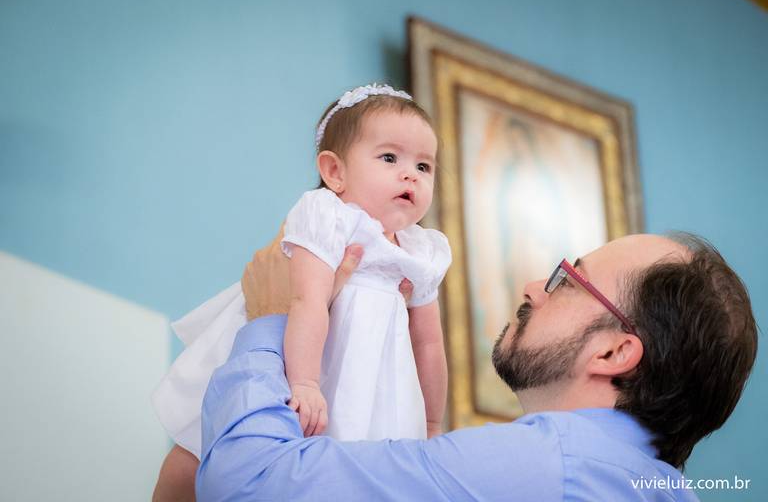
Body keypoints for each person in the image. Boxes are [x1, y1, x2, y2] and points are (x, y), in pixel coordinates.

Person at [189, 231, 756, 501]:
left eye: (568, 280)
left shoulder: (545, 470)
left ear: (613, 352)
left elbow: (247, 484)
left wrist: (270, 321)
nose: (536, 287)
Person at [151, 84, 450, 463]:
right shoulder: (328, 217)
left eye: (423, 166)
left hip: (376, 376)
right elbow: (307, 299)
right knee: (199, 449)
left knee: (355, 460)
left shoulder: (423, 249)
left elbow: (428, 344)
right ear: (334, 172)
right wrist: (306, 381)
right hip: (306, 354)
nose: (411, 175)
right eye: (389, 158)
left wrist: (432, 422)